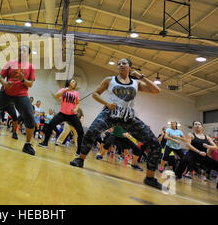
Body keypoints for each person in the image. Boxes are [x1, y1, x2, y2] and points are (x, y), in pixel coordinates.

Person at [69, 58, 165, 190]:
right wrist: (107, 104)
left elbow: (156, 90)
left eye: (124, 63)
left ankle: (150, 178)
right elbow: (95, 94)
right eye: (119, 63)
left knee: (155, 144)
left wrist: (142, 77)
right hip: (110, 113)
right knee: (91, 132)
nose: (120, 65)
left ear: (130, 67)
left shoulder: (136, 83)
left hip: (128, 117)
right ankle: (80, 159)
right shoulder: (109, 80)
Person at [175, 121, 218, 192]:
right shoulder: (191, 134)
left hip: (203, 156)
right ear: (193, 126)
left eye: (199, 124)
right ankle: (178, 175)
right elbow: (188, 145)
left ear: (202, 126)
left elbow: (216, 147)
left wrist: (208, 146)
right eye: (195, 124)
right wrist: (199, 152)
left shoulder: (207, 137)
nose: (197, 125)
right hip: (192, 153)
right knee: (185, 160)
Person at [39, 79, 85, 156]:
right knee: (50, 124)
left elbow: (77, 104)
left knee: (81, 132)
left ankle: (79, 150)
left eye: (75, 82)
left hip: (72, 115)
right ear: (69, 82)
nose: (74, 82)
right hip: (62, 114)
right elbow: (57, 96)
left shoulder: (76, 93)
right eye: (73, 81)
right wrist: (66, 89)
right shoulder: (63, 90)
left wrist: (76, 109)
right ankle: (45, 143)